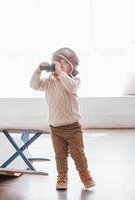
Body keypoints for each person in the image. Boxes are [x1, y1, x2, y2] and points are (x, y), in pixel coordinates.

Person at [30, 47, 95, 190]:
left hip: (73, 127)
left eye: (61, 64)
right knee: (60, 156)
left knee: (78, 154)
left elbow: (71, 87)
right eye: (54, 64)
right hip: (55, 128)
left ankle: (85, 176)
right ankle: (62, 178)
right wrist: (38, 71)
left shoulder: (74, 80)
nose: (57, 67)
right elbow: (33, 85)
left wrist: (60, 74)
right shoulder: (48, 81)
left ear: (70, 68)